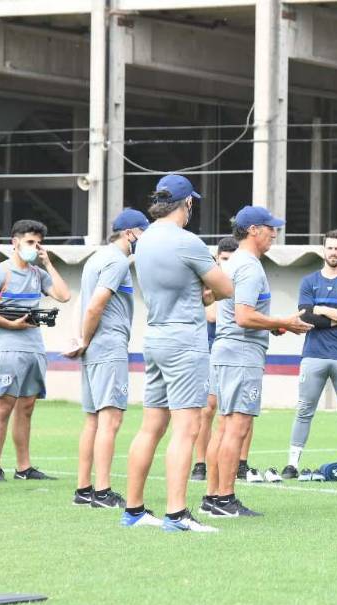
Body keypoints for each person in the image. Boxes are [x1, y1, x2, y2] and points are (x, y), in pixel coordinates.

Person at [123, 174, 234, 532]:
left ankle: (135, 510)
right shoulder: (188, 242)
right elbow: (226, 288)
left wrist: (199, 291)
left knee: (150, 426)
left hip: (154, 336)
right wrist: (207, 292)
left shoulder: (144, 240)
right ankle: (176, 514)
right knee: (186, 429)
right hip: (184, 340)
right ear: (186, 204)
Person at [202, 206, 310, 518]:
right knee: (236, 426)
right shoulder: (249, 267)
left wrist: (272, 324)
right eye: (270, 227)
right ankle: (224, 499)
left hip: (227, 351)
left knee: (224, 427)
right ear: (253, 231)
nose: (274, 233)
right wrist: (284, 322)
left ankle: (212, 497)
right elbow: (244, 316)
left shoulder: (235, 262)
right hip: (241, 354)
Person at [65, 209, 149, 508]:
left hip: (94, 348)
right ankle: (102, 492)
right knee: (110, 419)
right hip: (107, 345)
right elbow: (94, 306)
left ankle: (84, 488)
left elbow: (81, 303)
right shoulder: (115, 261)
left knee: (93, 420)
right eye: (144, 232)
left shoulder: (96, 259)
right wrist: (85, 338)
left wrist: (80, 340)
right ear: (130, 233)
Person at [0, 219, 71, 481]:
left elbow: (64, 296)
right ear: (15, 242)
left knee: (27, 406)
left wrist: (48, 263)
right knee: (4, 405)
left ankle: (23, 467)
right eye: (30, 242)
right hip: (8, 349)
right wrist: (8, 323)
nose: (35, 247)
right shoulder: (0, 272)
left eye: (39, 243)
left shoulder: (38, 274)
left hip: (34, 348)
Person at [284, 229, 337, 480]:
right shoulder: (309, 281)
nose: (333, 252)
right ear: (323, 250)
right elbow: (306, 317)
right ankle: (291, 465)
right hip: (313, 356)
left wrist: (322, 309)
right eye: (330, 248)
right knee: (304, 410)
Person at [192, 237, 238, 483]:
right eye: (224, 260)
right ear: (218, 258)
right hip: (209, 348)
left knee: (237, 410)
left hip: (235, 349)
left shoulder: (240, 279)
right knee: (208, 408)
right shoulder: (210, 280)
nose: (228, 264)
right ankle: (200, 462)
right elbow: (212, 315)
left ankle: (239, 462)